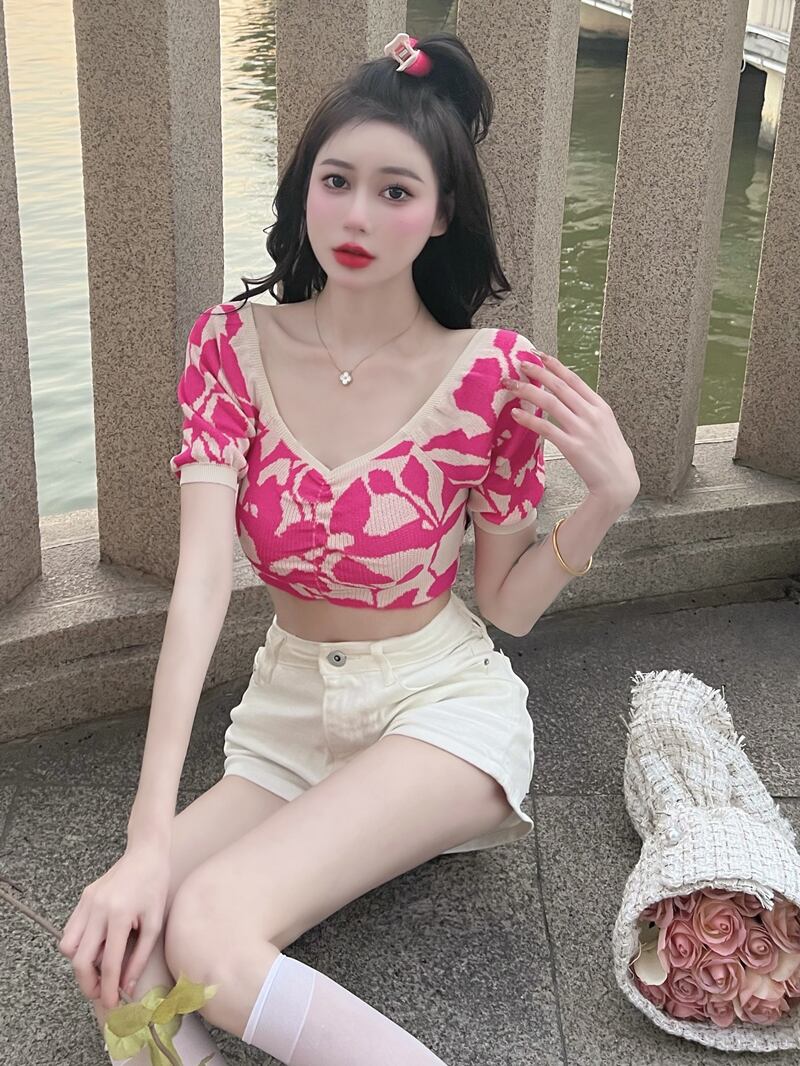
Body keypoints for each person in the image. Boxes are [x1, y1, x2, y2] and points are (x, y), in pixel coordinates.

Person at [58, 30, 639, 1066]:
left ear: (442, 213)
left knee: (209, 932)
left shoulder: (490, 377)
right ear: (305, 190)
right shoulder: (229, 349)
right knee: (118, 957)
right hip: (288, 713)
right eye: (337, 181)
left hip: (436, 704)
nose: (358, 216)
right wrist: (146, 841)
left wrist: (606, 499)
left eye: (395, 190)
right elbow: (201, 588)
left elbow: (505, 607)